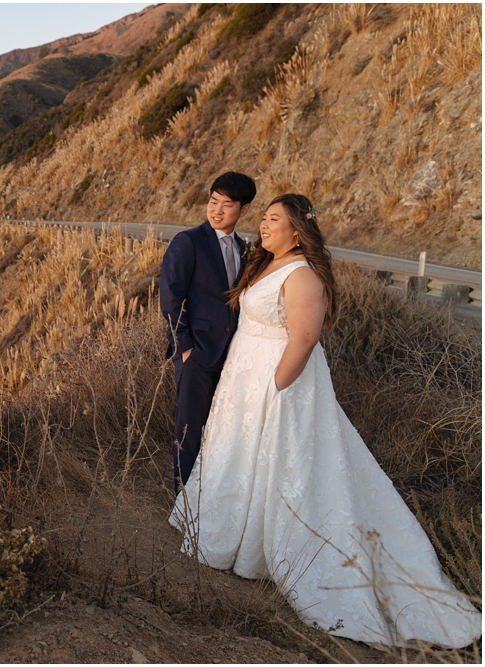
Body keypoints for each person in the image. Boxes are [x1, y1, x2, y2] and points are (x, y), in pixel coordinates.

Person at [169, 194, 482, 647]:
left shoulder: (303, 275)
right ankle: (232, 535)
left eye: (274, 219)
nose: (264, 225)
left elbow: (305, 338)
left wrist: (274, 388)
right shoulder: (267, 264)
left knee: (282, 464)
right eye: (264, 217)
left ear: (298, 229)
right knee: (241, 455)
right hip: (245, 378)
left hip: (276, 383)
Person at [159, 171, 256, 494]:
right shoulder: (188, 242)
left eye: (227, 205)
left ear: (244, 210)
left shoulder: (244, 249)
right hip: (197, 354)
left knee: (222, 430)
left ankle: (212, 495)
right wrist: (184, 348)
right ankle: (183, 502)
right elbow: (170, 298)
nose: (217, 210)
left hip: (233, 356)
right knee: (189, 431)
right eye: (213, 201)